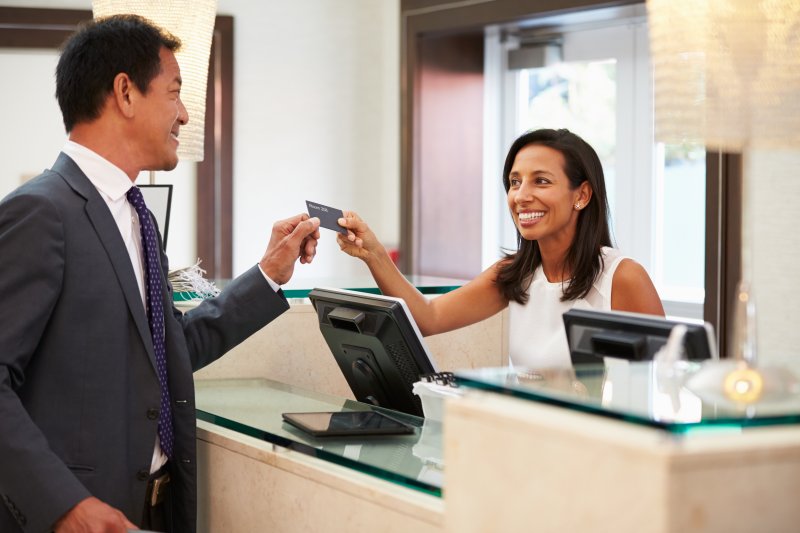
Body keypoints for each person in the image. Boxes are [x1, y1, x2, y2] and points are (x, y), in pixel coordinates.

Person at [0, 15, 320, 533]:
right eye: (174, 93)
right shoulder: (40, 213)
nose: (186, 114)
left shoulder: (137, 215)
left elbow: (166, 355)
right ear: (125, 93)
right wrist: (63, 506)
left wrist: (267, 275)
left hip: (154, 507)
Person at [337, 128, 664, 369]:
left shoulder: (622, 278)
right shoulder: (512, 275)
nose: (521, 196)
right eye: (515, 181)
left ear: (581, 195)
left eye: (541, 181)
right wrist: (374, 254)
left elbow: (664, 384)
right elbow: (427, 318)